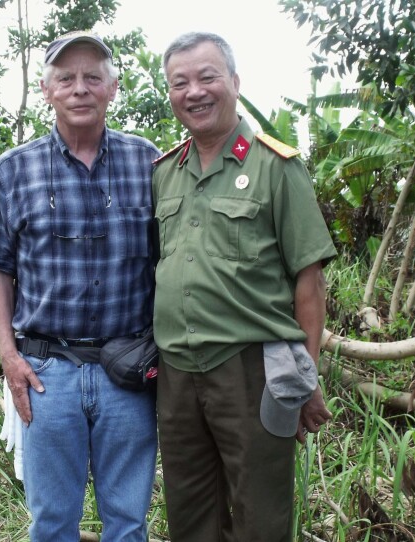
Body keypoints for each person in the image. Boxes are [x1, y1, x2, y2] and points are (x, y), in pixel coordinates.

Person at [0, 30, 160, 542]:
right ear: (46, 88)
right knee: (52, 522)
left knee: (129, 522)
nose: (80, 88)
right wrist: (9, 357)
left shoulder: (150, 162)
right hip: (45, 373)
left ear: (113, 89)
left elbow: (175, 258)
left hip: (129, 373)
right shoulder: (11, 171)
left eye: (92, 77)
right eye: (66, 78)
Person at [152, 32, 338, 542]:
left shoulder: (276, 165)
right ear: (170, 94)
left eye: (207, 77)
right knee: (189, 515)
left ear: (234, 82)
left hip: (251, 370)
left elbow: (310, 281)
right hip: (176, 372)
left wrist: (307, 375)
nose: (194, 91)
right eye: (180, 82)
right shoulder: (165, 173)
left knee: (260, 517)